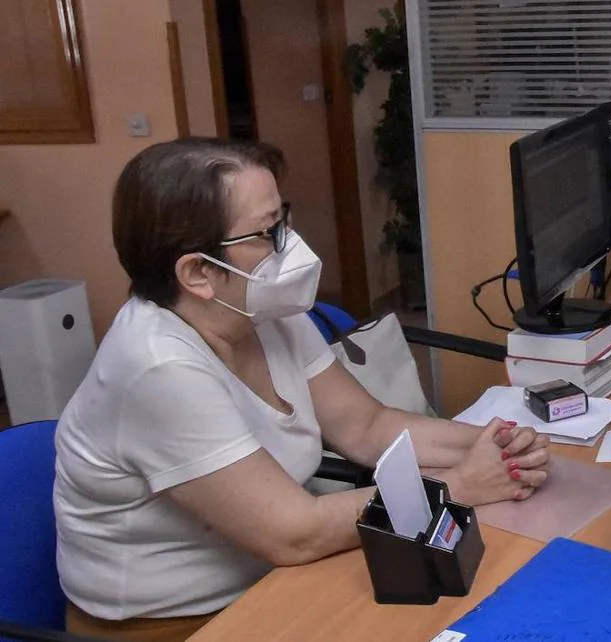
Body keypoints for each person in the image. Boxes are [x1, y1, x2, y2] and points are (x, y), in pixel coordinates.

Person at [54, 138, 550, 641]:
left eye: (282, 220)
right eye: (267, 233)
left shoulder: (262, 312)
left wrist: (496, 442)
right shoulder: (156, 367)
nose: (289, 246)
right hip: (177, 623)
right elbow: (292, 532)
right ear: (199, 272)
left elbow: (366, 426)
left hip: (277, 576)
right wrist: (461, 484)